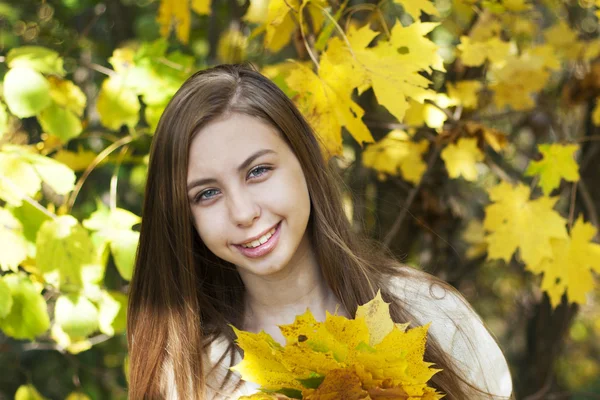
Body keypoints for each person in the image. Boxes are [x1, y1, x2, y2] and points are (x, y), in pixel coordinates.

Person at [127, 63, 513, 399]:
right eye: (207, 193)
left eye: (258, 171)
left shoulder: (432, 315)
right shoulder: (189, 370)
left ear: (305, 162)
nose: (243, 213)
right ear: (184, 215)